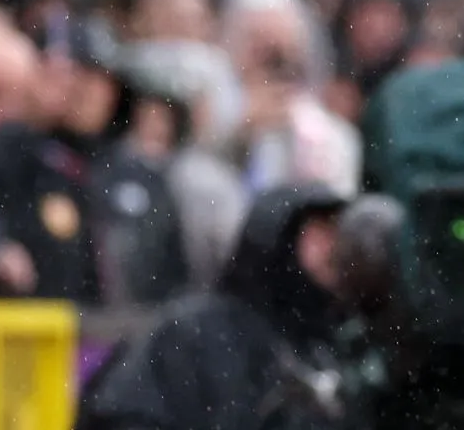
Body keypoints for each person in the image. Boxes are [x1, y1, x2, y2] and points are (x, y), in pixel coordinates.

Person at [76, 183, 349, 430]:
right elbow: (122, 412)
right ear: (279, 237)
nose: (333, 250)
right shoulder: (192, 332)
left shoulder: (334, 344)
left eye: (338, 235)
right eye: (319, 233)